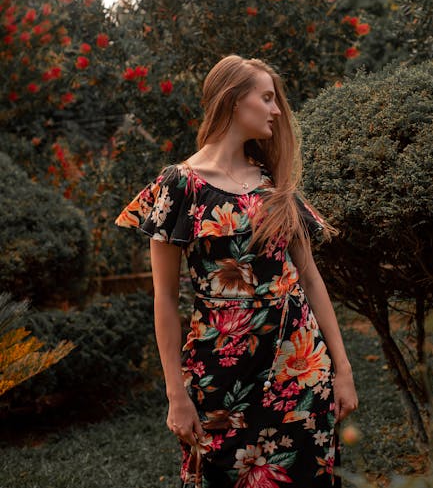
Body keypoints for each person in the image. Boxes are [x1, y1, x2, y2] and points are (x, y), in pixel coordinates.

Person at [115, 54, 358, 488]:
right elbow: (165, 300)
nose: (277, 110)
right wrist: (175, 393)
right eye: (266, 98)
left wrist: (342, 369)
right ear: (232, 101)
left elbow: (311, 279)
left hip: (300, 368)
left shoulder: (275, 185)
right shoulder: (180, 186)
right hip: (218, 377)